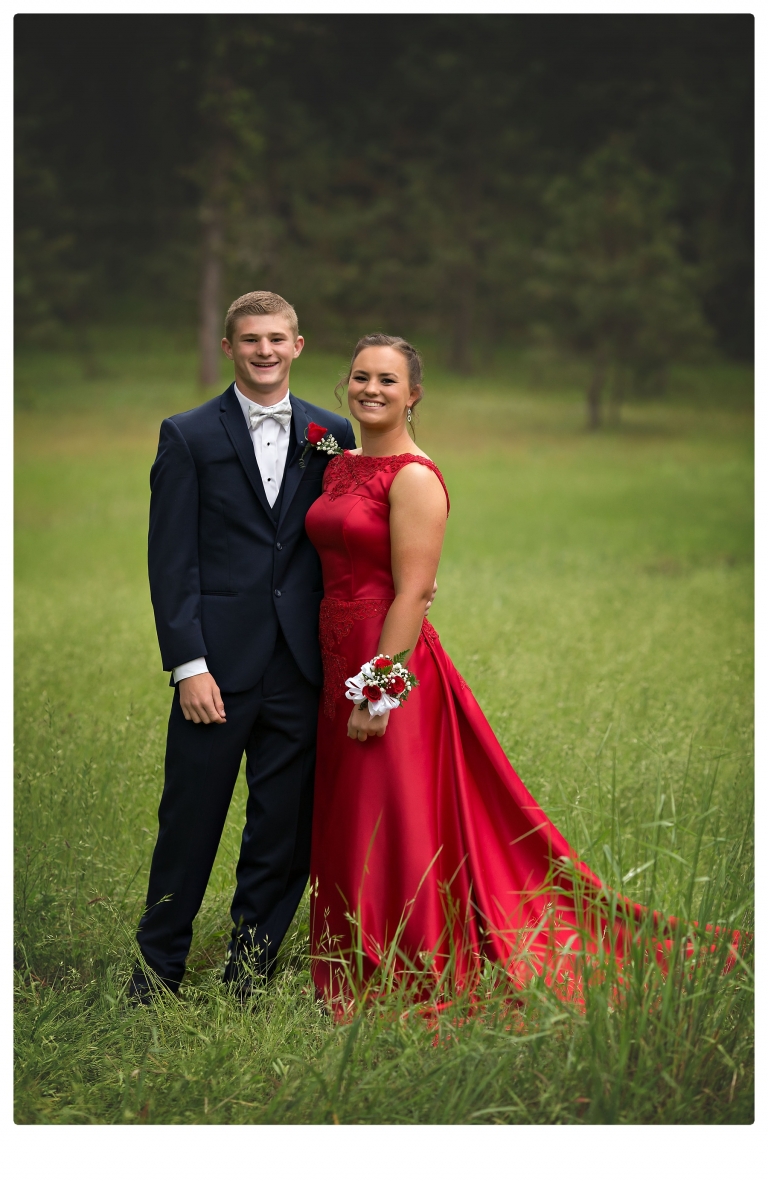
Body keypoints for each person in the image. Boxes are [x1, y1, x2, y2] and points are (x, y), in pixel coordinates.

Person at [305, 334, 741, 1008]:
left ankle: (405, 959)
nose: (371, 389)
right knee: (350, 810)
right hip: (337, 659)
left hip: (385, 664)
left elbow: (414, 592)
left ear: (413, 394)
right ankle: (351, 945)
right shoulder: (340, 464)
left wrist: (378, 694)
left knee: (387, 813)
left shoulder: (415, 477)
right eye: (361, 376)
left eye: (387, 380)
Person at [130, 291, 357, 1002]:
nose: (265, 350)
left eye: (277, 338)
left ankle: (249, 972)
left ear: (298, 346)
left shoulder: (330, 432)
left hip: (300, 664)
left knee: (282, 831)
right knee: (189, 822)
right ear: (229, 347)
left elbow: (347, 525)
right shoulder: (188, 434)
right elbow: (171, 562)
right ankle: (155, 973)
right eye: (251, 339)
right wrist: (188, 665)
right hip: (216, 668)